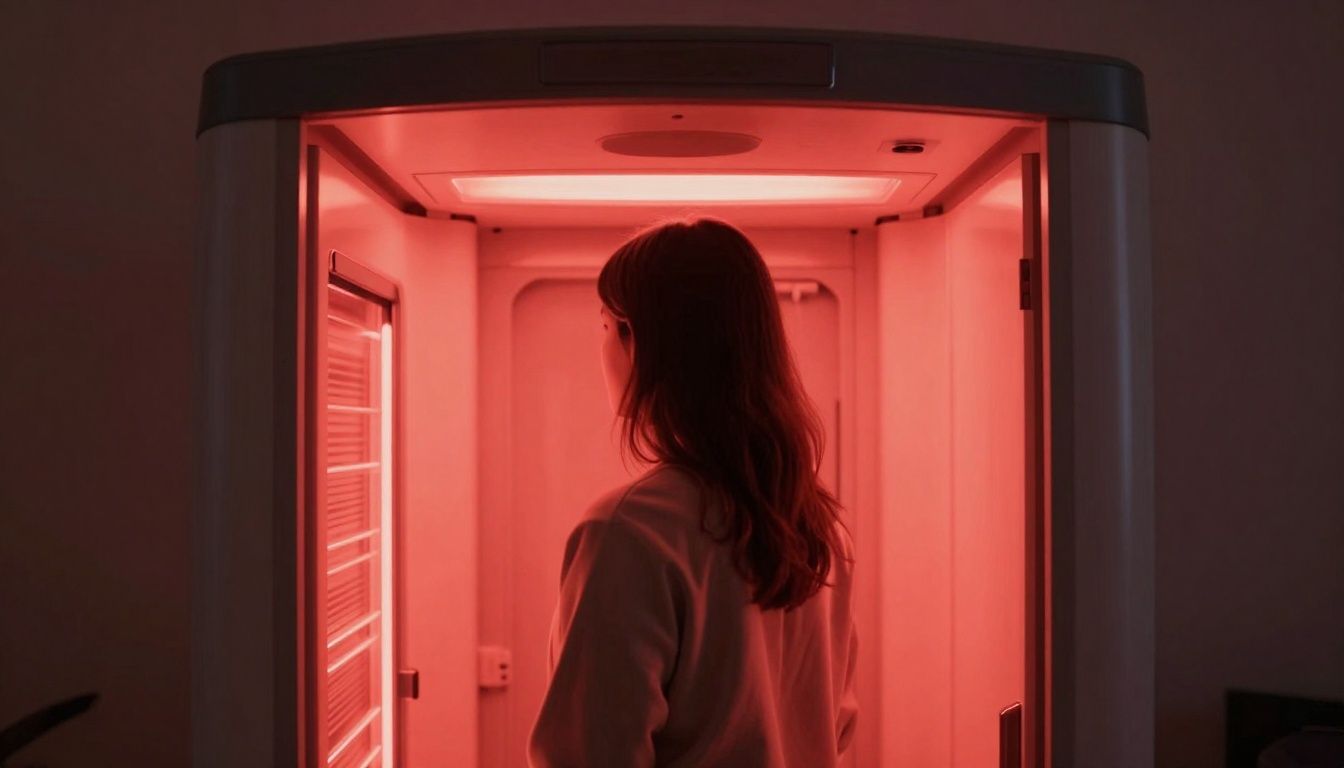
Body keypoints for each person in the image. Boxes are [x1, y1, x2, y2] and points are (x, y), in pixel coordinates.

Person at [526, 216, 859, 767]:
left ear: (638, 340)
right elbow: (835, 730)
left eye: (604, 327)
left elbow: (586, 755)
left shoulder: (628, 530)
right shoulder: (819, 529)